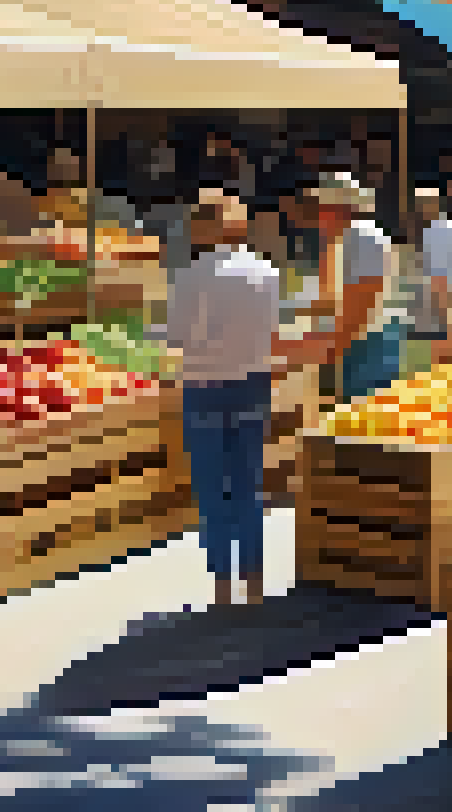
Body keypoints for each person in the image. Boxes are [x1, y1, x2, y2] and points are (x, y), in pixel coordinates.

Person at [167, 189, 310, 607]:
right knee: (249, 484)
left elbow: (178, 338)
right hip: (252, 382)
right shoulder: (266, 272)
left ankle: (222, 587)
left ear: (203, 228)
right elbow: (272, 332)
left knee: (212, 488)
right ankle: (254, 582)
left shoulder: (190, 276)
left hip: (204, 384)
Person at [303, 173, 401, 404]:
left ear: (338, 208)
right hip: (358, 342)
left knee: (361, 423)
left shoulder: (363, 239)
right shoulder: (347, 239)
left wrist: (329, 350)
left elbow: (361, 309)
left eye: (322, 207)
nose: (318, 215)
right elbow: (331, 297)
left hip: (367, 345)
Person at [410, 188, 452, 367]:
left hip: (438, 295)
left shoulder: (439, 231)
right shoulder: (441, 229)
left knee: (434, 349)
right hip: (440, 294)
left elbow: (441, 273)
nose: (419, 210)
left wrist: (441, 302)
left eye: (422, 205)